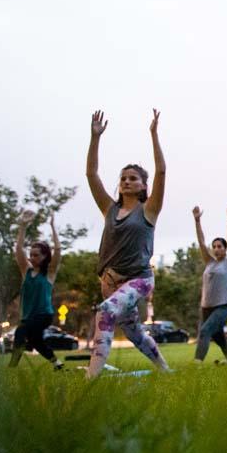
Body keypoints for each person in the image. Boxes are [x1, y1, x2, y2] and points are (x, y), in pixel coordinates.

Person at [84, 110, 170, 377]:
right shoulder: (109, 209)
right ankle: (165, 370)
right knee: (135, 333)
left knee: (106, 311)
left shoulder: (149, 210)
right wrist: (95, 138)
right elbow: (91, 174)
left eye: (133, 178)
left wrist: (154, 134)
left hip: (139, 279)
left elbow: (161, 171)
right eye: (123, 178)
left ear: (143, 186)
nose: (126, 182)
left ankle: (91, 378)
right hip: (110, 282)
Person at [9, 210, 63, 370]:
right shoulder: (26, 271)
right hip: (28, 315)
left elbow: (58, 250)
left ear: (45, 256)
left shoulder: (50, 273)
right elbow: (19, 249)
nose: (32, 258)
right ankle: (57, 364)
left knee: (20, 333)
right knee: (35, 341)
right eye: (31, 255)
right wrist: (23, 226)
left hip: (43, 315)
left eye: (36, 255)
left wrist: (52, 226)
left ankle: (12, 367)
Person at [193, 203, 227, 363]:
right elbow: (201, 241)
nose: (216, 249)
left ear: (225, 249)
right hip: (206, 307)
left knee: (205, 331)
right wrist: (197, 221)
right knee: (218, 337)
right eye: (214, 247)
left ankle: (196, 363)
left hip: (223, 307)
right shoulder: (209, 262)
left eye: (220, 246)